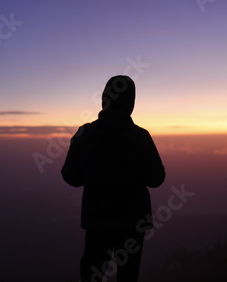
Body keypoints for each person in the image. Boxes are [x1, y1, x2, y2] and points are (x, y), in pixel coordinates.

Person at [61, 75, 165, 282]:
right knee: (128, 275)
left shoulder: (86, 133)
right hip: (133, 222)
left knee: (92, 273)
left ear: (104, 99)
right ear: (131, 103)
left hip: (97, 220)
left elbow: (71, 176)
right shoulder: (140, 136)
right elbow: (156, 178)